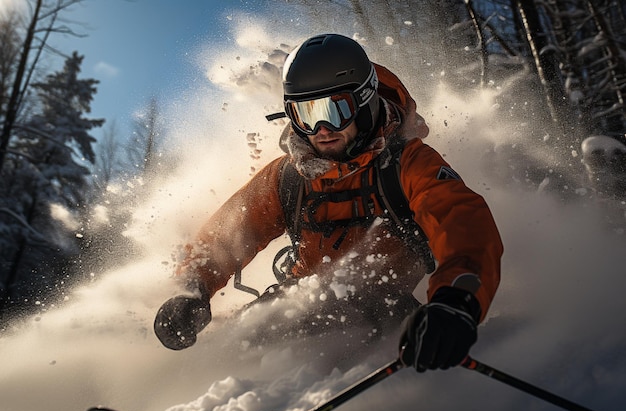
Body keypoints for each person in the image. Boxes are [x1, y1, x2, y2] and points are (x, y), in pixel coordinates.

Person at [154, 33, 503, 373]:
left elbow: (463, 226)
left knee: (350, 331)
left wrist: (456, 302)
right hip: (298, 303)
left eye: (335, 110)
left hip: (384, 310)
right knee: (236, 342)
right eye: (305, 114)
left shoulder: (408, 164)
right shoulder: (289, 176)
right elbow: (225, 235)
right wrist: (194, 290)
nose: (321, 128)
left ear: (365, 100)